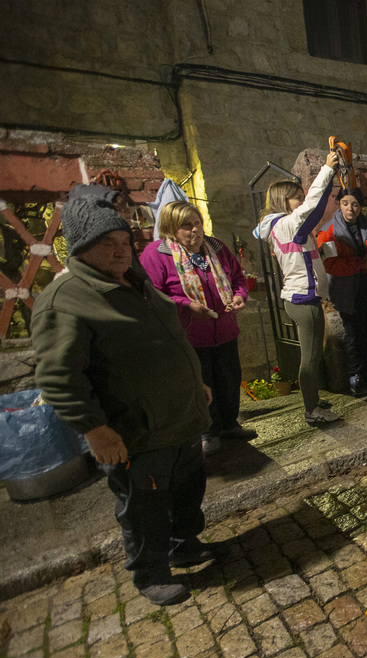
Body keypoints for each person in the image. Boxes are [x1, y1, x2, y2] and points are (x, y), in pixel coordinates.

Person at [32, 193, 213, 606]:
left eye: (123, 240)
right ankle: (150, 573)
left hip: (180, 418)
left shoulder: (135, 281)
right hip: (137, 431)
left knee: (187, 489)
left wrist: (194, 383)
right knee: (144, 505)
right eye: (104, 243)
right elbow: (60, 377)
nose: (119, 250)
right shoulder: (67, 299)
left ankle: (184, 544)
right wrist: (95, 430)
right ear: (80, 248)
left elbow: (168, 338)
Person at [141, 201, 253, 456]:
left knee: (229, 379)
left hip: (224, 331)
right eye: (186, 226)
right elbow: (153, 295)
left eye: (197, 224)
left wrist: (239, 297)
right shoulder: (157, 254)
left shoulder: (216, 248)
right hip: (189, 336)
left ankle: (229, 424)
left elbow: (238, 279)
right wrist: (186, 304)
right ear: (171, 227)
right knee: (203, 385)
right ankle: (207, 430)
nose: (195, 231)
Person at [253, 150, 341, 424]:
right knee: (311, 358)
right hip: (303, 300)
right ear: (284, 201)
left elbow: (307, 257)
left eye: (301, 197)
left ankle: (312, 399)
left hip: (305, 297)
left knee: (313, 355)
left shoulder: (285, 228)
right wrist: (326, 170)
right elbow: (312, 205)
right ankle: (312, 411)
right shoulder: (288, 224)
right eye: (296, 198)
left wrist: (323, 247)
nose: (301, 202)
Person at [317, 187, 367, 395]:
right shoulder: (329, 230)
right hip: (347, 290)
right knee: (354, 334)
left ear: (360, 207)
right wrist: (361, 263)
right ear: (339, 204)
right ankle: (356, 375)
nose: (350, 208)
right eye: (345, 203)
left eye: (355, 204)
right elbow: (330, 264)